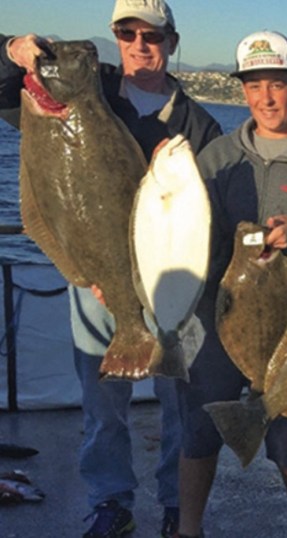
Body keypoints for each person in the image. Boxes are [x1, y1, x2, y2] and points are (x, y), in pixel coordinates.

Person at [0, 1, 221, 536]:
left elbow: (213, 207)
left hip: (167, 287)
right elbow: (6, 85)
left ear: (171, 41)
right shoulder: (86, 86)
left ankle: (175, 502)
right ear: (115, 37)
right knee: (102, 405)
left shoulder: (200, 122)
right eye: (127, 33)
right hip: (92, 279)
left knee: (178, 404)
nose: (140, 45)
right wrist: (13, 50)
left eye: (153, 35)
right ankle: (110, 500)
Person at [175, 30, 287, 538]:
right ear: (243, 92)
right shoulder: (216, 156)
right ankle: (188, 529)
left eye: (277, 84)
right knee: (199, 430)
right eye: (254, 86)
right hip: (219, 315)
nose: (266, 98)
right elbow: (188, 236)